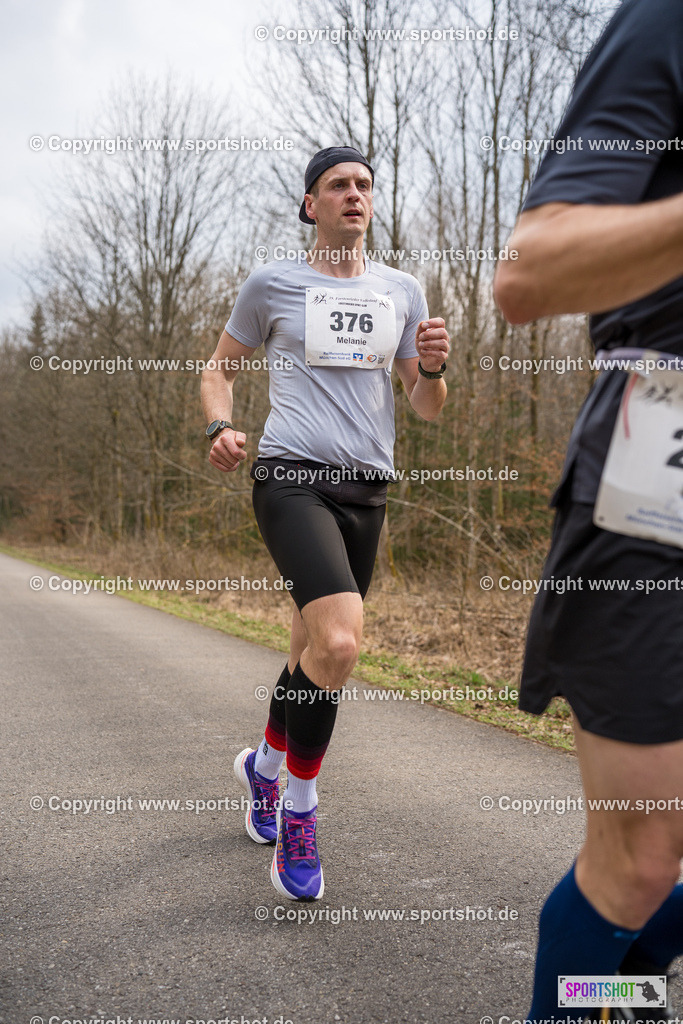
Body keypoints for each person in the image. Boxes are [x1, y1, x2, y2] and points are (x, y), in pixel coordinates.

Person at [494, 1, 683, 1020]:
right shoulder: (664, 23)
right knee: (644, 853)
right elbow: (528, 273)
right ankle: (591, 997)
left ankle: (613, 991)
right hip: (658, 476)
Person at [201, 146, 450, 902]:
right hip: (291, 478)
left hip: (367, 491)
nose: (354, 194)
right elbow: (218, 367)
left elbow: (424, 406)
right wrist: (218, 426)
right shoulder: (273, 284)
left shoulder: (401, 290)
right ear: (310, 204)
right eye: (338, 185)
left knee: (312, 649)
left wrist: (434, 370)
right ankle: (299, 817)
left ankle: (263, 770)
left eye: (364, 185)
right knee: (340, 644)